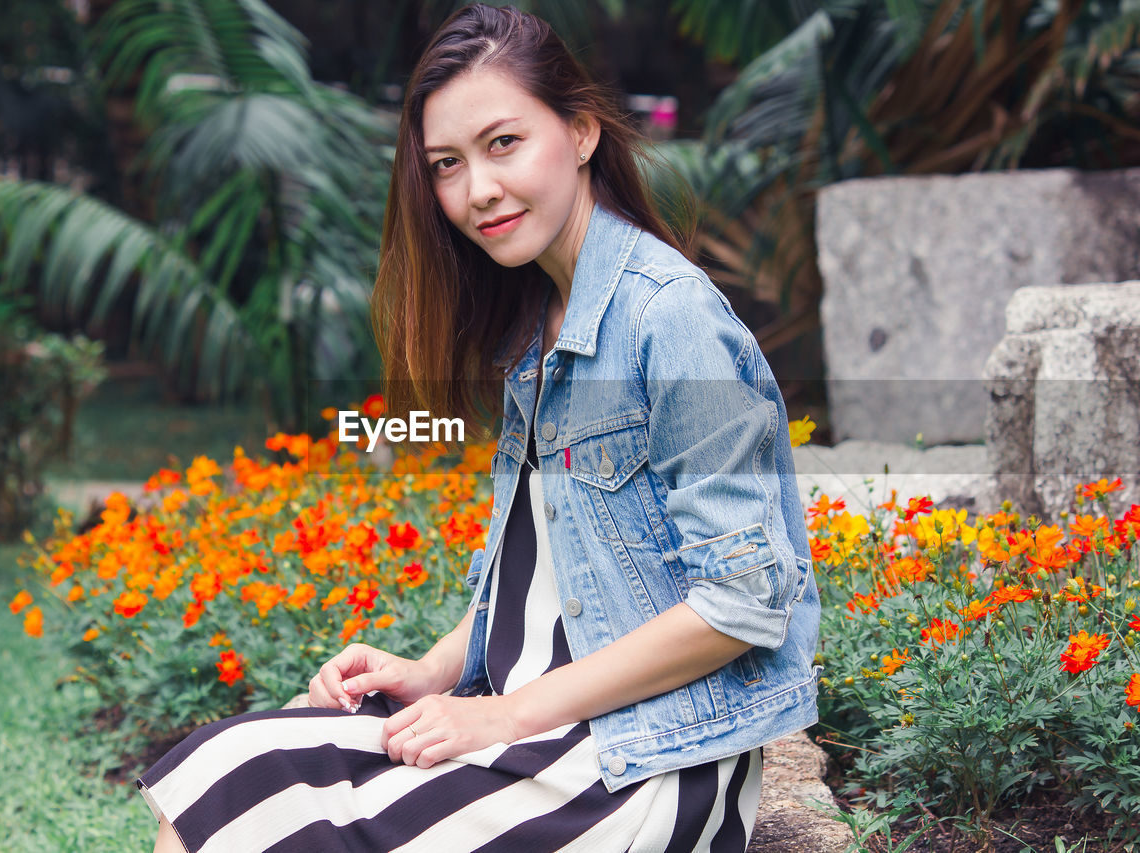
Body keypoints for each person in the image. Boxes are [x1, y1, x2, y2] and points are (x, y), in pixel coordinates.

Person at [138, 5, 819, 851]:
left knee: (274, 826)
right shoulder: (541, 322)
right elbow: (554, 570)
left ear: (578, 132)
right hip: (547, 724)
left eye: (504, 144)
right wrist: (430, 671)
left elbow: (743, 602)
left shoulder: (668, 317)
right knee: (222, 769)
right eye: (448, 165)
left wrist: (500, 713)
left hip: (641, 763)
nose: (478, 191)